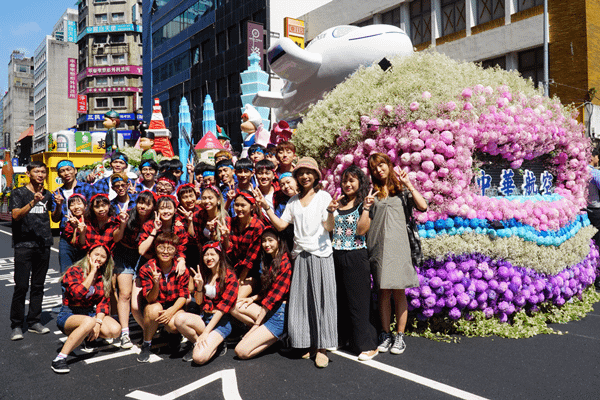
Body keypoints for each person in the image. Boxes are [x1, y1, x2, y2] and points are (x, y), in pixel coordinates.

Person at [256, 156, 337, 368]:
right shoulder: (292, 202)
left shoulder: (324, 197)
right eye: (300, 173)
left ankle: (322, 348)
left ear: (316, 176)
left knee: (322, 301)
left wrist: (330, 212)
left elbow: (329, 227)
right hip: (300, 255)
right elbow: (282, 226)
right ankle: (309, 344)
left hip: (321, 256)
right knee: (304, 302)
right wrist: (267, 207)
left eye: (309, 173)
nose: (305, 176)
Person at [367, 152, 427, 355]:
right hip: (378, 247)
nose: (379, 170)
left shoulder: (401, 189)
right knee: (383, 291)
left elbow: (423, 206)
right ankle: (385, 334)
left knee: (399, 291)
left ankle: (399, 336)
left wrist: (409, 184)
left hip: (400, 247)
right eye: (374, 168)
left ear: (389, 165)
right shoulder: (372, 192)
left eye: (381, 165)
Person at [329, 165, 379, 361]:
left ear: (360, 183)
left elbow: (361, 231)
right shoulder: (338, 204)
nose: (347, 184)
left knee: (358, 302)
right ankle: (345, 338)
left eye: (352, 180)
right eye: (344, 180)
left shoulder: (363, 204)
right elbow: (328, 229)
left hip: (356, 256)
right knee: (341, 300)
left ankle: (368, 345)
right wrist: (330, 211)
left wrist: (366, 209)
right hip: (337, 255)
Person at [51, 244, 121, 373]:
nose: (99, 258)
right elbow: (77, 294)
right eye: (96, 254)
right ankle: (59, 359)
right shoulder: (74, 271)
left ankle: (88, 338)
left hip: (89, 313)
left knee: (115, 330)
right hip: (69, 314)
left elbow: (102, 304)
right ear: (88, 255)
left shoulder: (103, 277)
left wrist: (99, 323)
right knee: (89, 321)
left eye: (103, 256)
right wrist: (92, 272)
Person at [9, 161, 59, 340]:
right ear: (29, 173)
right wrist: (33, 201)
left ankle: (34, 321)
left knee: (38, 286)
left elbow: (55, 217)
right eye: (37, 171)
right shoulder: (18, 193)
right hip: (24, 245)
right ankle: (16, 324)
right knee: (21, 286)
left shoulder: (48, 194)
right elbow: (15, 216)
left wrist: (59, 205)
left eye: (43, 172)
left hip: (43, 243)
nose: (41, 174)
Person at [174, 241, 238, 364]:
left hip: (221, 322)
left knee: (198, 358)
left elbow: (222, 310)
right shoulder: (204, 274)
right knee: (179, 319)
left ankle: (216, 343)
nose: (209, 258)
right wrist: (199, 287)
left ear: (220, 255)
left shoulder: (230, 276)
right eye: (205, 255)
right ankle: (198, 342)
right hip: (205, 317)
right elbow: (198, 302)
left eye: (212, 254)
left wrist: (206, 333)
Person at [233, 228, 292, 359]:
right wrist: (253, 298)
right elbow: (268, 291)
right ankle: (265, 336)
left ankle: (277, 337)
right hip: (269, 310)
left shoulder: (285, 262)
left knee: (241, 351)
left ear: (279, 241)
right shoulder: (269, 260)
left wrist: (255, 326)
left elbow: (273, 297)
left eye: (270, 240)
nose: (267, 244)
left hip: (280, 314)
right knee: (235, 305)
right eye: (264, 241)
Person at [137, 232, 190, 363]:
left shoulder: (181, 269)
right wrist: (156, 283)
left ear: (175, 251)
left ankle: (172, 335)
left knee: (174, 324)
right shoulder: (147, 268)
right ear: (156, 249)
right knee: (153, 309)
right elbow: (150, 299)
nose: (165, 252)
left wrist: (170, 312)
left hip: (174, 305)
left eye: (170, 248)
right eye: (161, 247)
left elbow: (183, 296)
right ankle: (146, 344)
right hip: (155, 303)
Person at [112, 191, 156, 348]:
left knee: (138, 300)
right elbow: (116, 238)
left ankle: (148, 330)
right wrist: (123, 223)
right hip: (124, 255)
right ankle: (125, 333)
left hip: (143, 256)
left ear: (153, 207)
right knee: (124, 294)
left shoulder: (154, 220)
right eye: (140, 202)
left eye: (147, 204)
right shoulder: (128, 215)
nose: (143, 206)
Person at [55, 159, 96, 273]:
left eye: (69, 169)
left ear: (75, 171)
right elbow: (55, 219)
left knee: (86, 270)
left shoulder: (87, 188)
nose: (66, 173)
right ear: (59, 175)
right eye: (62, 171)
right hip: (66, 236)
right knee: (66, 272)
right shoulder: (58, 192)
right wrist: (59, 205)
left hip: (86, 234)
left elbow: (94, 209)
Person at [226, 190, 265, 299]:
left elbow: (250, 260)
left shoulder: (258, 226)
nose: (239, 209)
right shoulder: (230, 222)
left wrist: (239, 281)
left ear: (252, 207)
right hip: (231, 270)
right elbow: (227, 249)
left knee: (234, 299)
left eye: (243, 205)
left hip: (251, 273)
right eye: (236, 205)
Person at [586, 145, 600, 289]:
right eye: (597, 156)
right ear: (592, 157)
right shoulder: (595, 174)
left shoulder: (577, 172)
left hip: (584, 211)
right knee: (599, 244)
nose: (598, 159)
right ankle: (598, 278)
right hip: (596, 211)